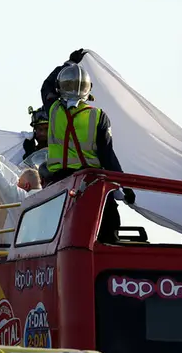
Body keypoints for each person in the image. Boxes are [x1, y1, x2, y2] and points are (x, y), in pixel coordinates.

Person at [43, 61, 135, 242]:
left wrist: (66, 64)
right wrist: (126, 186)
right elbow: (108, 157)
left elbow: (45, 85)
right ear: (89, 89)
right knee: (108, 226)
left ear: (59, 86)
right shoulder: (98, 116)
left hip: (59, 184)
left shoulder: (53, 110)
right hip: (91, 182)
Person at [0, 148, 42, 248]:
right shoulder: (42, 198)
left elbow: (0, 182)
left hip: (4, 251)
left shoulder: (24, 198)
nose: (16, 184)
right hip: (2, 249)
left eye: (19, 182)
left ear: (26, 186)